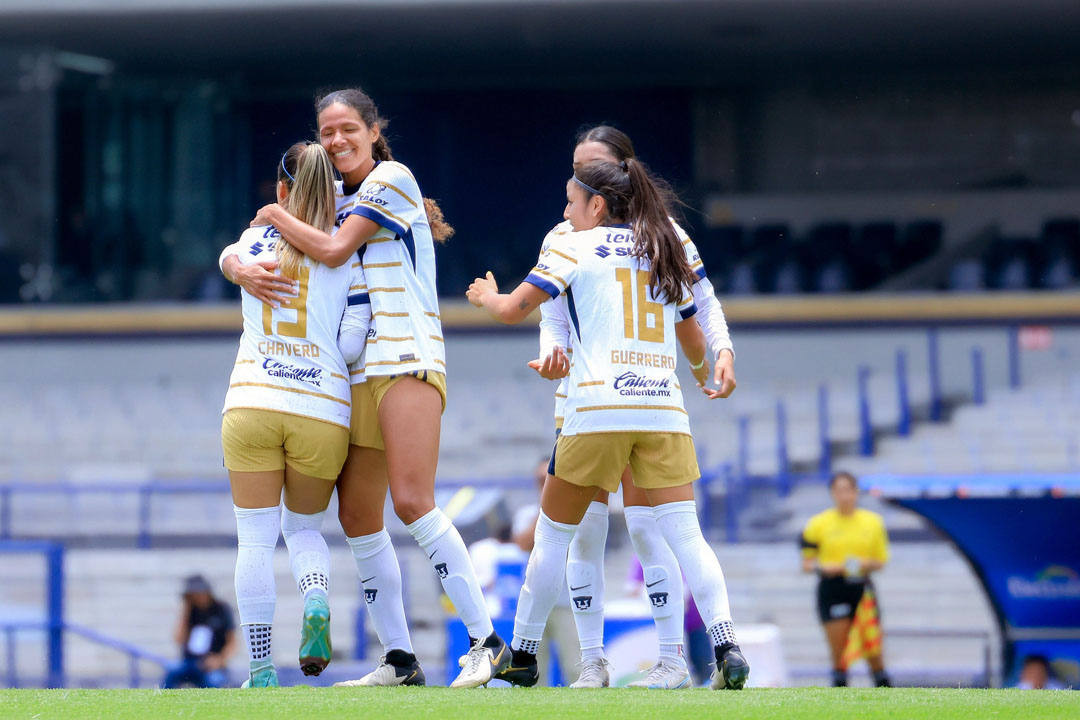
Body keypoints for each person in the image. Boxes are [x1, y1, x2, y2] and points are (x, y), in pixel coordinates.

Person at [224, 88, 507, 688]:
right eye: (327, 132)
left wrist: (269, 217)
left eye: (348, 128)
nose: (337, 140)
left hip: (406, 357)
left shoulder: (391, 177)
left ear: (375, 130)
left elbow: (330, 247)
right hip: (353, 373)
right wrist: (237, 261)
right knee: (356, 516)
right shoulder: (341, 199)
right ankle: (400, 659)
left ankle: (488, 642)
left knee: (411, 501)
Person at [466, 158, 749, 691]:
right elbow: (694, 329)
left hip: (596, 408)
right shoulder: (663, 245)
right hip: (662, 408)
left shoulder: (573, 245)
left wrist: (486, 297)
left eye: (572, 201)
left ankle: (523, 654)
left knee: (553, 537)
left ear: (598, 205)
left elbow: (512, 311)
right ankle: (727, 646)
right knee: (687, 536)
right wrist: (707, 365)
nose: (566, 211)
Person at [221, 141, 370, 688]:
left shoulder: (253, 239)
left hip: (252, 401)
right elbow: (353, 344)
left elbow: (228, 257)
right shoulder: (345, 250)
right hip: (320, 408)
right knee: (304, 527)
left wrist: (236, 267)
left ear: (280, 190)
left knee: (255, 541)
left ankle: (261, 670)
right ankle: (315, 600)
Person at [800, 471, 891, 687]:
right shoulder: (818, 524)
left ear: (855, 492)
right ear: (832, 493)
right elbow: (807, 563)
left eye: (848, 490)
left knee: (874, 651)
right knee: (840, 653)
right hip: (833, 589)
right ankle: (839, 703)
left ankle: (887, 700)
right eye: (839, 491)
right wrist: (826, 567)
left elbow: (880, 560)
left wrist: (864, 564)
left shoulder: (873, 522)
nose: (845, 496)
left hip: (862, 588)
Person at [162, 575, 236, 689]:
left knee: (214, 681)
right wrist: (186, 611)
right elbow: (178, 639)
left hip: (211, 662)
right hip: (189, 662)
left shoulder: (221, 609)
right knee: (172, 673)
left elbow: (232, 642)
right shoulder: (191, 612)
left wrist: (219, 660)